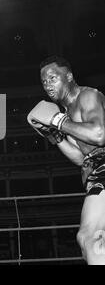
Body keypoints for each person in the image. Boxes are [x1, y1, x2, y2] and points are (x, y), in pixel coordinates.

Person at [27, 56, 105, 265]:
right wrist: (54, 135)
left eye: (53, 78)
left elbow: (99, 134)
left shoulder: (87, 96)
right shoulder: (66, 114)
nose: (48, 85)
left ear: (69, 76)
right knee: (89, 240)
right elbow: (82, 158)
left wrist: (57, 121)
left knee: (92, 240)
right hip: (95, 174)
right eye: (44, 82)